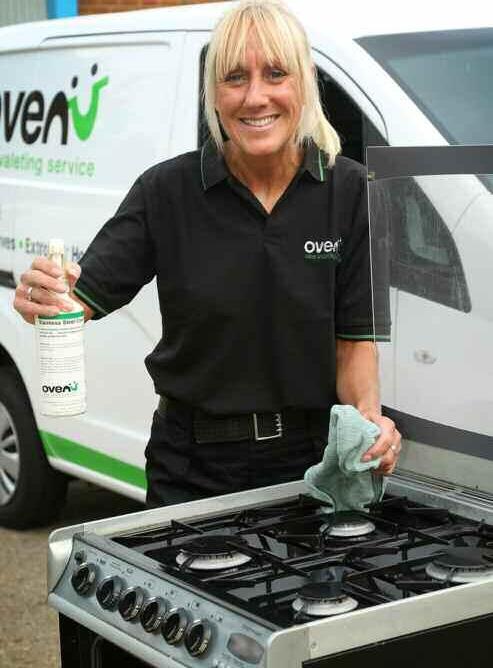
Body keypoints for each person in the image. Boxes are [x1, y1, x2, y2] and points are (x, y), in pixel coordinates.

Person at [14, 0, 401, 507]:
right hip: (191, 467)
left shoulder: (351, 191)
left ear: (305, 83)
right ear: (213, 94)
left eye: (276, 74)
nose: (255, 97)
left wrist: (369, 425)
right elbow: (77, 297)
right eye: (234, 77)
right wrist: (45, 297)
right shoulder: (165, 191)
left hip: (313, 465)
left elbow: (354, 345)